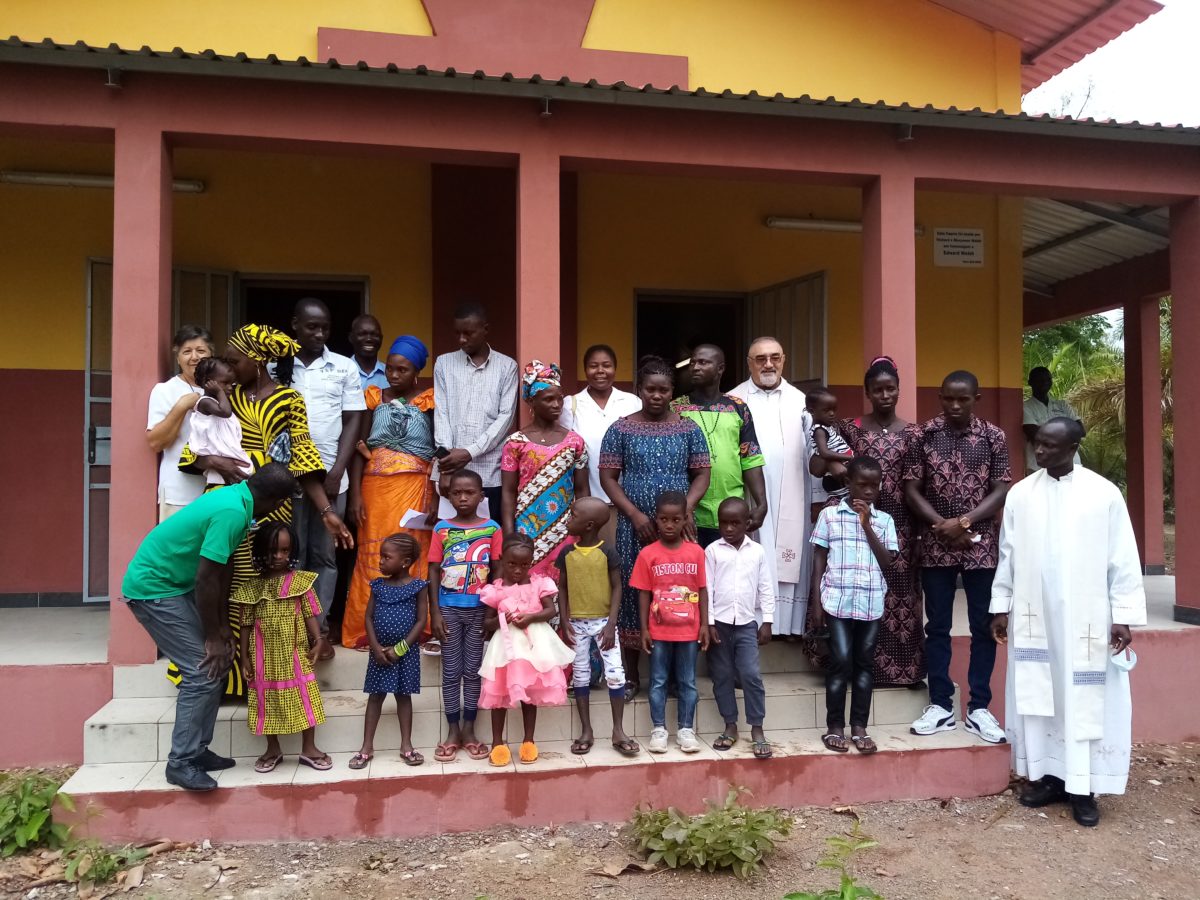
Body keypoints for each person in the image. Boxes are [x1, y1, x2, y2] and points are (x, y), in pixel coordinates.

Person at [178, 324, 354, 697]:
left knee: (268, 591)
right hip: (230, 500)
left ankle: (269, 677)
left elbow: (303, 460)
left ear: (257, 361)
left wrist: (327, 512)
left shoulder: (290, 400)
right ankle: (227, 679)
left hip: (274, 504)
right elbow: (193, 449)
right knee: (228, 583)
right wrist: (216, 462)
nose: (227, 366)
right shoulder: (224, 397)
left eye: (234, 359)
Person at [991, 418, 1145, 827]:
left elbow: (1123, 557)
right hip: (1035, 614)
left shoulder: (1103, 494)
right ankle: (1049, 778)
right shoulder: (1022, 494)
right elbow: (1007, 554)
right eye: (1038, 445)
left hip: (1087, 619)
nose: (1039, 452)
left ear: (1074, 445)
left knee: (1082, 699)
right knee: (1044, 696)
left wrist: (1124, 616)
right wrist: (1000, 605)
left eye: (1049, 446)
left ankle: (1084, 788)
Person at [120, 462, 296, 791]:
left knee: (217, 663)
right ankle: (181, 762)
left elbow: (223, 566)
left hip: (175, 586)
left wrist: (223, 629)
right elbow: (205, 579)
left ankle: (197, 750)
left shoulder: (240, 504)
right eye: (283, 502)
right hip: (154, 590)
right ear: (273, 500)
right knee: (200, 670)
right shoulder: (231, 510)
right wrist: (212, 636)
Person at [904, 370, 1011, 743]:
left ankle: (979, 707)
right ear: (940, 396)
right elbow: (911, 489)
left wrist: (964, 522)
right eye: (948, 398)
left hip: (981, 546)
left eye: (962, 399)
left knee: (985, 626)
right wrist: (942, 525)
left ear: (976, 399)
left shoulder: (993, 436)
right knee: (938, 626)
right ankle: (941, 705)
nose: (954, 405)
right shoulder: (923, 435)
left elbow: (1000, 489)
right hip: (936, 544)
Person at [599, 355, 712, 700]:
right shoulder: (620, 428)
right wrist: (634, 515)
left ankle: (679, 678)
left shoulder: (689, 428)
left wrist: (684, 512)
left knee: (677, 593)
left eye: (664, 390)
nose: (657, 396)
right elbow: (607, 477)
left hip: (679, 531)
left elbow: (703, 474)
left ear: (672, 391)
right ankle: (632, 675)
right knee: (635, 592)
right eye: (650, 389)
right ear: (639, 390)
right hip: (636, 529)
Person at [277, 298, 367, 653]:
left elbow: (352, 421)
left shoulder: (344, 367)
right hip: (286, 478)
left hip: (333, 476)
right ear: (295, 325)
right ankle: (292, 621)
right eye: (312, 326)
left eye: (325, 327)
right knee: (290, 549)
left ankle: (321, 624)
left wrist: (338, 471)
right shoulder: (276, 368)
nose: (318, 333)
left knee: (325, 555)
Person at [343, 335, 437, 649]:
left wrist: (435, 496)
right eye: (392, 369)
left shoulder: (430, 401)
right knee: (373, 555)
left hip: (414, 488)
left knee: (413, 553)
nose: (394, 375)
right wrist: (355, 494)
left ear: (417, 372)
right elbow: (359, 448)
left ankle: (415, 629)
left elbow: (437, 452)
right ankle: (365, 628)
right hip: (375, 489)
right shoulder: (373, 397)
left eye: (403, 370)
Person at [838, 357, 925, 687]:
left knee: (901, 595)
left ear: (899, 391)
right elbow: (823, 460)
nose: (885, 395)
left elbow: (919, 485)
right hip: (859, 525)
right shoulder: (851, 429)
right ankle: (859, 669)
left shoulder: (914, 434)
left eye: (891, 389)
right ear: (868, 393)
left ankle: (905, 672)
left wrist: (918, 535)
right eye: (878, 390)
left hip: (901, 525)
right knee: (860, 592)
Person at [811, 457, 899, 754]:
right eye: (862, 484)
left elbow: (887, 561)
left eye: (874, 485)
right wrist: (815, 605)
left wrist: (867, 525)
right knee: (840, 661)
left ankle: (859, 727)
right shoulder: (830, 516)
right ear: (848, 483)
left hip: (870, 602)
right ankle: (834, 726)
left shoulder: (884, 521)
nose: (869, 491)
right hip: (836, 600)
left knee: (863, 665)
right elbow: (819, 560)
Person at [728, 337, 813, 637]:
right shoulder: (733, 401)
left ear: (784, 360)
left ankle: (787, 624)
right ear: (748, 362)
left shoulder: (801, 401)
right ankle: (754, 623)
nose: (768, 364)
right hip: (751, 496)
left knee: (790, 557)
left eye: (775, 357)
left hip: (794, 493)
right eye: (760, 358)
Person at [233, 523, 329, 773]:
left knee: (305, 695)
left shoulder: (301, 582)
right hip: (262, 655)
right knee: (265, 699)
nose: (278, 556)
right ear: (260, 552)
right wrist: (244, 658)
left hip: (295, 651)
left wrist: (318, 641)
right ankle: (273, 748)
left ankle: (309, 748)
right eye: (272, 551)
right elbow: (244, 625)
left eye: (284, 551)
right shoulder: (251, 589)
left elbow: (310, 615)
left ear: (292, 551)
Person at [479, 533, 575, 767]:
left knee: (529, 694)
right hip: (506, 648)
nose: (517, 570)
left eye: (524, 565)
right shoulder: (496, 590)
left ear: (531, 562)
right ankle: (497, 743)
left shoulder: (539, 584)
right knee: (499, 695)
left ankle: (528, 740)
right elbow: (487, 623)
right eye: (511, 564)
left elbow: (550, 611)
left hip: (534, 648)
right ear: (502, 561)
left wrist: (530, 617)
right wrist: (505, 617)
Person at [428, 469, 504, 763]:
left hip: (478, 610)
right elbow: (433, 569)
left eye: (469, 492)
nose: (462, 497)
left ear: (481, 496)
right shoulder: (442, 529)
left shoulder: (492, 528)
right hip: (448, 608)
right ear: (448, 496)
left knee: (472, 672)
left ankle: (470, 730)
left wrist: (491, 611)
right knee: (451, 672)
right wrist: (434, 611)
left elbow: (497, 571)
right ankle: (452, 730)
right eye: (456, 493)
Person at [556, 497, 638, 757]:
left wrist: (612, 623)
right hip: (576, 624)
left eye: (573, 515)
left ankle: (618, 731)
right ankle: (586, 730)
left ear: (589, 524)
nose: (568, 520)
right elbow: (563, 588)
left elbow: (617, 587)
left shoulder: (607, 552)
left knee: (615, 673)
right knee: (580, 674)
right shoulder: (567, 553)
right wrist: (565, 620)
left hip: (604, 623)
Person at [633, 492, 711, 754]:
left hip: (689, 631)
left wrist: (704, 625)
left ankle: (686, 730)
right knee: (657, 681)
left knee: (688, 681)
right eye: (663, 519)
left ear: (685, 519)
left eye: (675, 519)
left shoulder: (697, 553)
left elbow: (702, 590)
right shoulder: (647, 554)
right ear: (656, 520)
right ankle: (658, 729)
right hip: (659, 631)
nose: (669, 525)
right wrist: (644, 628)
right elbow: (643, 592)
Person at [671, 344, 767, 547]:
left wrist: (761, 504)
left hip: (730, 512)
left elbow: (750, 458)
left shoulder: (738, 407)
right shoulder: (676, 408)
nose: (695, 367)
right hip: (689, 513)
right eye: (693, 362)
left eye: (703, 362)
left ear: (720, 369)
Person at [501, 360, 589, 579]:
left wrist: (582, 530)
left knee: (563, 582)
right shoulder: (515, 443)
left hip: (565, 528)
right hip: (526, 529)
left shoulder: (575, 442)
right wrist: (510, 532)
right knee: (528, 584)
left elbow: (582, 490)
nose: (557, 404)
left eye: (559, 398)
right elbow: (508, 492)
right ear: (532, 401)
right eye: (548, 399)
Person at [349, 533, 429, 770]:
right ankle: (366, 747)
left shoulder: (418, 587)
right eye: (381, 556)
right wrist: (375, 648)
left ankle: (406, 745)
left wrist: (399, 650)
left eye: (386, 557)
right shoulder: (378, 585)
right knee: (375, 697)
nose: (381, 561)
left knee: (403, 697)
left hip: (404, 654)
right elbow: (369, 617)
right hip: (379, 654)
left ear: (405, 562)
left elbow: (420, 622)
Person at [432, 301, 519, 517]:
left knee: (488, 539)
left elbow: (505, 418)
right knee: (454, 539)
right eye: (458, 333)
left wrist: (469, 452)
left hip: (490, 472)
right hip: (451, 472)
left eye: (468, 333)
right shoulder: (444, 364)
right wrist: (445, 467)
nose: (462, 339)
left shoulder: (507, 367)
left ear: (485, 330)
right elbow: (441, 414)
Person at [705, 497, 775, 760]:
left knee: (750, 674)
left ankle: (757, 728)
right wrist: (709, 623)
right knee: (722, 675)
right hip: (719, 625)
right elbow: (707, 590)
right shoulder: (712, 551)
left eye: (736, 523)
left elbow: (765, 586)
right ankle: (730, 725)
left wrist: (767, 620)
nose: (729, 528)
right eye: (724, 523)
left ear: (748, 523)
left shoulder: (756, 551)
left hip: (746, 623)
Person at [559, 344, 642, 547]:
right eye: (593, 366)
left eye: (606, 365)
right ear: (585, 369)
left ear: (615, 368)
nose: (600, 371)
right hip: (589, 503)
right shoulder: (571, 404)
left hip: (629, 501)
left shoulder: (632, 402)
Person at [147, 324, 212, 520]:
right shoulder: (165, 390)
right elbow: (156, 442)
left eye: (201, 350)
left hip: (217, 490)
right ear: (177, 358)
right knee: (179, 550)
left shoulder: (225, 389)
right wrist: (182, 406)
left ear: (212, 354)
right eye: (187, 352)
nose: (194, 357)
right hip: (179, 493)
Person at [187, 358, 252, 486]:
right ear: (207, 382)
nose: (230, 388)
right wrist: (219, 391)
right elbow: (225, 412)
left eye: (232, 384)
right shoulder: (205, 402)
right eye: (225, 383)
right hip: (217, 463)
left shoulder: (218, 402)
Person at [1022, 366, 1083, 473]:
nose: (1045, 382)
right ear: (1030, 382)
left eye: (1048, 379)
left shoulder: (1063, 405)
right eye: (1040, 380)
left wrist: (1043, 430)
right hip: (1039, 468)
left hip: (1072, 465)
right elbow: (1034, 435)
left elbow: (1081, 431)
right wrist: (1067, 431)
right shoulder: (1026, 407)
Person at [807, 387, 853, 500]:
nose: (832, 413)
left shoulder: (827, 427)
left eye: (834, 409)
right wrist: (849, 457)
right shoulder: (819, 430)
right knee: (845, 503)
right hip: (834, 478)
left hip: (839, 473)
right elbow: (824, 453)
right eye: (826, 410)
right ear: (812, 411)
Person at [349, 314, 389, 391]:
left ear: (381, 339)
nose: (369, 339)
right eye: (362, 334)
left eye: (374, 334)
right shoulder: (340, 372)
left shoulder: (391, 375)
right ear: (351, 338)